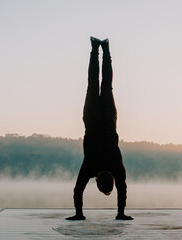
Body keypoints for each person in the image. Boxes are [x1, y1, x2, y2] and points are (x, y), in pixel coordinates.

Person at [66, 36, 133, 221]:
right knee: (93, 84)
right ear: (96, 181)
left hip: (109, 117)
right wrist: (79, 213)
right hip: (91, 117)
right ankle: (96, 47)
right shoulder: (90, 167)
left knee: (107, 84)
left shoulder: (116, 168)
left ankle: (105, 48)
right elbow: (77, 190)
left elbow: (122, 189)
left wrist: (121, 213)